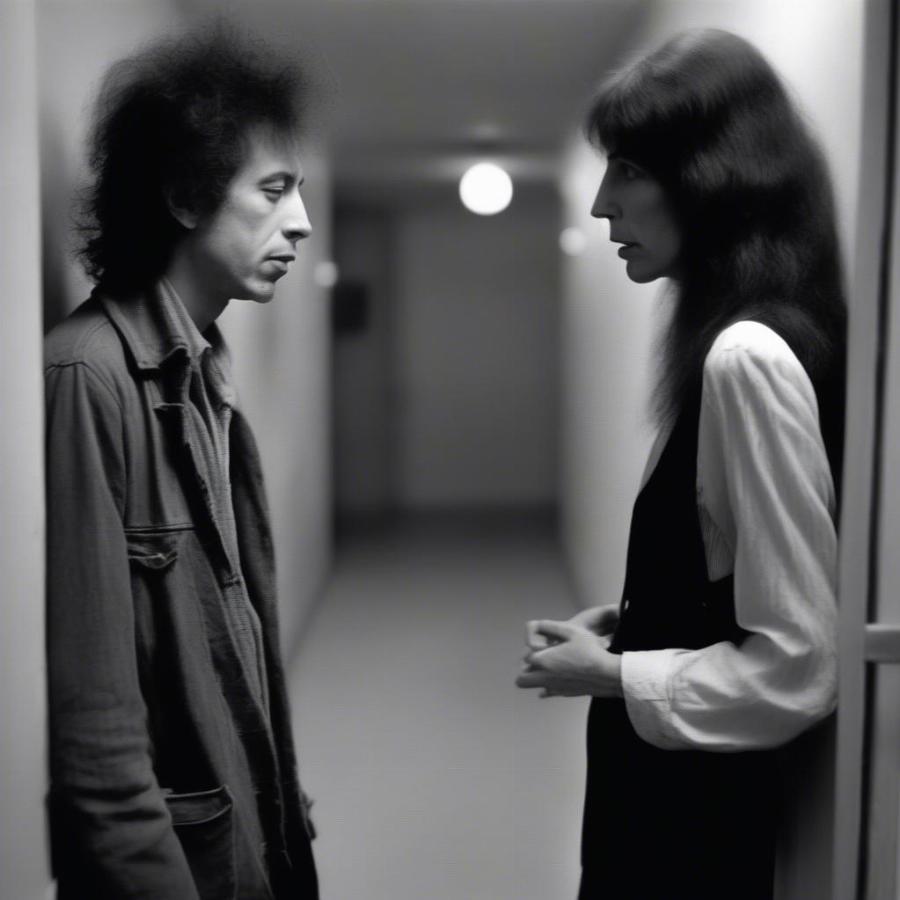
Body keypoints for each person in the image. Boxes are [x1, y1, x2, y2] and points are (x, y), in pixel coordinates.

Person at [516, 28, 845, 900]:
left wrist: (612, 673)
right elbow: (725, 580)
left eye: (627, 169)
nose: (598, 205)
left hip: (689, 831)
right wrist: (637, 618)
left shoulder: (748, 357)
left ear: (713, 176)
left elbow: (799, 664)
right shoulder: (723, 336)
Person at [44, 27, 319, 899]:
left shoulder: (202, 370)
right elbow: (98, 740)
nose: (302, 223)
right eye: (272, 191)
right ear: (184, 196)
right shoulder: (88, 377)